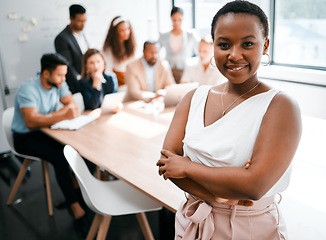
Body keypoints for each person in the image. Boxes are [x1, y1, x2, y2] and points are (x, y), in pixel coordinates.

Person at [156, 1, 302, 239]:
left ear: (265, 45)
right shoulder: (193, 98)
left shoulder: (281, 106)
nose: (234, 55)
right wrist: (219, 195)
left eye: (247, 44)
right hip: (192, 221)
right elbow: (166, 165)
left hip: (250, 228)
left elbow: (254, 186)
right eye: (224, 44)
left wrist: (187, 166)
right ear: (213, 46)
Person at [11, 53, 90, 236]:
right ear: (46, 74)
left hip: (47, 129)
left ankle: (76, 191)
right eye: (60, 75)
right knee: (60, 157)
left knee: (75, 149)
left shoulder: (59, 83)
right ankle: (76, 207)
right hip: (24, 137)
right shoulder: (27, 89)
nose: (64, 79)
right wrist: (61, 114)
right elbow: (31, 122)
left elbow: (72, 106)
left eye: (64, 75)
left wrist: (50, 117)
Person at [158, 7, 199, 83]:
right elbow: (156, 51)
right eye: (174, 20)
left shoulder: (191, 35)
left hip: (185, 70)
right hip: (168, 71)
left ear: (183, 19)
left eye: (179, 19)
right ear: (171, 19)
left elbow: (199, 52)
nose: (176, 22)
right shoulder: (164, 35)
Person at [55, 4, 88, 94]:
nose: (83, 24)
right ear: (71, 19)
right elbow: (68, 66)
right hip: (76, 85)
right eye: (79, 21)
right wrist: (81, 82)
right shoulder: (62, 38)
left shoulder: (83, 35)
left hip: (87, 80)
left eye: (84, 20)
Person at [102, 16, 136, 87]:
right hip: (118, 83)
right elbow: (108, 71)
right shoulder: (109, 49)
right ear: (115, 32)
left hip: (130, 80)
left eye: (127, 29)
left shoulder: (130, 46)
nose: (126, 33)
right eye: (122, 30)